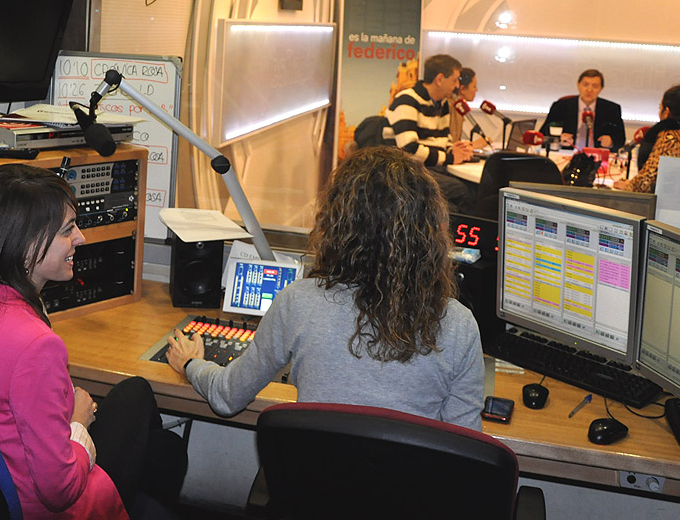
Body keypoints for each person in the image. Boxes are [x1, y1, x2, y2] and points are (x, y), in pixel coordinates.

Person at [0, 165, 187, 519]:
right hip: (42, 506)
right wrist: (78, 422)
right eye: (68, 230)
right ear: (25, 245)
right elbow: (58, 489)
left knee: (163, 447)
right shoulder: (35, 345)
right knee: (141, 401)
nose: (81, 238)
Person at [167, 146, 485, 430]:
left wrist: (191, 363)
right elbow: (467, 446)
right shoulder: (459, 325)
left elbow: (227, 397)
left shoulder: (298, 303)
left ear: (336, 225)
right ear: (429, 231)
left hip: (310, 479)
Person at [371, 53, 475, 212]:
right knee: (461, 191)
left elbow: (444, 139)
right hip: (405, 171)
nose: (457, 86)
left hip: (430, 167)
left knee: (472, 190)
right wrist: (450, 157)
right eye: (454, 80)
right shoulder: (407, 100)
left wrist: (456, 150)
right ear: (440, 79)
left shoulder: (443, 104)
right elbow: (409, 150)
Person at [614, 84, 680, 193]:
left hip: (669, 200)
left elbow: (646, 181)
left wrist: (628, 186)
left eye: (659, 108)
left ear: (666, 111)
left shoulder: (671, 137)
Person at [540, 69, 626, 150]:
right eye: (585, 85)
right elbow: (543, 134)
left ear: (601, 88)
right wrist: (558, 138)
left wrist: (611, 142)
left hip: (596, 155)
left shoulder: (611, 109)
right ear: (578, 85)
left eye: (595, 86)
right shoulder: (561, 106)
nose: (589, 90)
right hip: (566, 153)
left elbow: (620, 140)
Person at [449, 67, 489, 151]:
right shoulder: (451, 106)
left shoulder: (458, 107)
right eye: (474, 86)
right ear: (462, 89)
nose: (476, 90)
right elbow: (450, 145)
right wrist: (473, 146)